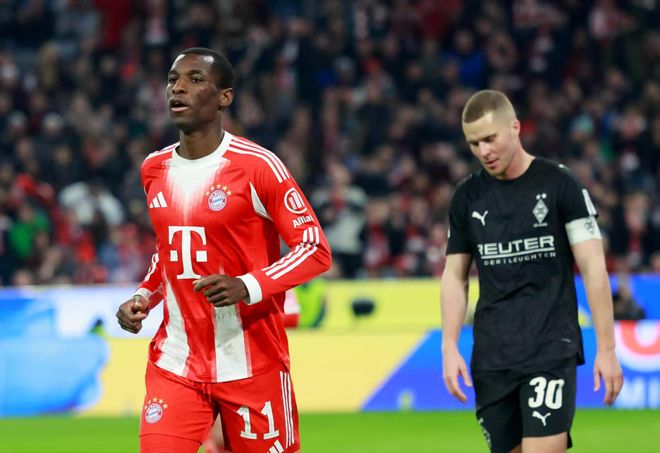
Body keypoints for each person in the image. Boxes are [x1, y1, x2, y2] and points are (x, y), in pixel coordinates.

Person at [116, 47, 331, 453]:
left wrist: (247, 285)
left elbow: (314, 248)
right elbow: (169, 251)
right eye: (173, 80)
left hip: (252, 363)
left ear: (224, 97)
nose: (178, 87)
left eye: (195, 79)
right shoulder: (154, 168)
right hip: (176, 362)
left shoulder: (257, 166)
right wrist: (144, 296)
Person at [440, 90, 623, 453]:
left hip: (550, 348)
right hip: (492, 356)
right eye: (474, 143)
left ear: (515, 128)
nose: (483, 151)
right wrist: (449, 346)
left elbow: (593, 269)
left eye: (490, 138)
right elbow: (454, 276)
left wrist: (607, 348)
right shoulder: (466, 197)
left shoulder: (561, 185)